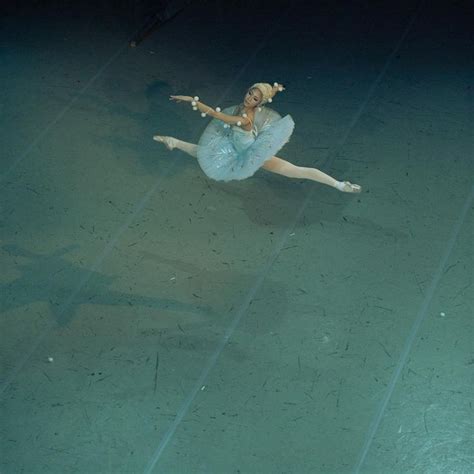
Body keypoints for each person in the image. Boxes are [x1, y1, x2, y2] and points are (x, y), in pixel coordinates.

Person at [153, 82, 361, 192]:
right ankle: (174, 142)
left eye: (255, 98)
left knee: (294, 171)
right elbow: (265, 96)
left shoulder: (244, 118)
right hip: (237, 146)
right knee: (204, 152)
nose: (249, 98)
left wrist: (192, 100)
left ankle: (339, 185)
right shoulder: (244, 108)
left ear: (258, 104)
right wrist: (275, 90)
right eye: (250, 93)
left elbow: (216, 114)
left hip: (250, 153)